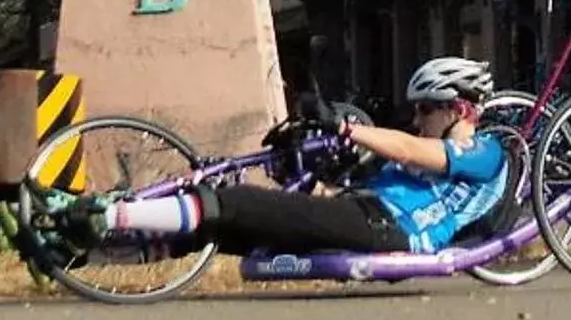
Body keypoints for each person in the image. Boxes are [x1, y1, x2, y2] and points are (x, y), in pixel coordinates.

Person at [30, 57, 510, 261]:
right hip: (365, 215)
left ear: (460, 109)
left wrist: (347, 126)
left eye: (426, 108)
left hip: (396, 230)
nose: (417, 117)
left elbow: (411, 150)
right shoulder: (424, 154)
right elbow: (349, 182)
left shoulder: (484, 152)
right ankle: (80, 251)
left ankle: (98, 212)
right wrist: (322, 161)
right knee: (217, 229)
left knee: (235, 202)